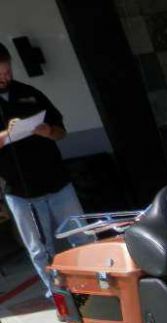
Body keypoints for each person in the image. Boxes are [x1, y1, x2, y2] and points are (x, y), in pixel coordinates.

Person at [0, 42, 82, 299]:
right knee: (39, 248)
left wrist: (49, 132)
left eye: (8, 71)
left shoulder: (30, 94)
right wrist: (7, 134)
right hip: (20, 191)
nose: (6, 77)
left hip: (57, 182)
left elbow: (61, 131)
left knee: (81, 236)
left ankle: (93, 286)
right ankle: (58, 295)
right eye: (0, 74)